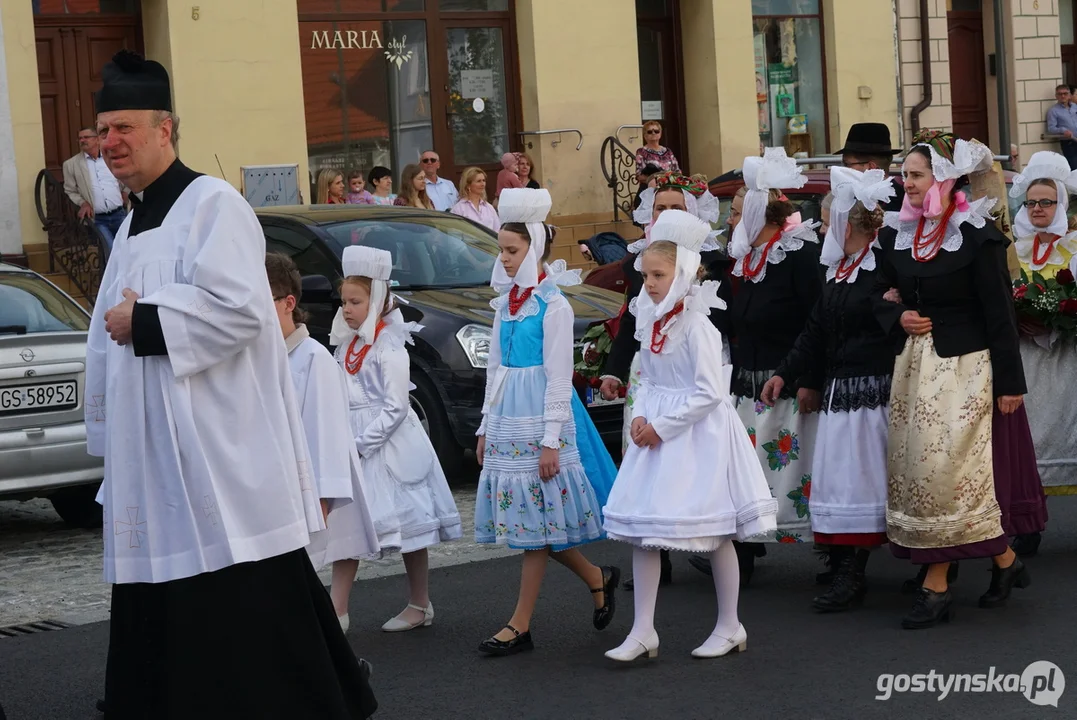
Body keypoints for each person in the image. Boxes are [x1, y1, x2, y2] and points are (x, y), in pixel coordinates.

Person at [86, 50, 375, 718]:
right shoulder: (130, 224)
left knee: (243, 603)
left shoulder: (212, 204)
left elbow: (244, 312)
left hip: (214, 451)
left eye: (125, 127)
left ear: (166, 129)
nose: (111, 143)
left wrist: (145, 319)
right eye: (104, 131)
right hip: (156, 458)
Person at [872, 130, 1034, 629]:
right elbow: (874, 294)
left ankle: (936, 584)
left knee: (945, 475)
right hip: (914, 370)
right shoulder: (895, 235)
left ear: (943, 178)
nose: (907, 183)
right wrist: (894, 317)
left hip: (966, 369)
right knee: (917, 473)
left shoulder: (977, 236)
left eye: (916, 175)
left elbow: (1000, 314)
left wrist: (1010, 384)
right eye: (904, 175)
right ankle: (1005, 562)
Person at [602, 210, 777, 663]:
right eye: (645, 276)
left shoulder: (697, 325)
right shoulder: (651, 320)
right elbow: (648, 377)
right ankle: (642, 630)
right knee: (645, 532)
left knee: (714, 531)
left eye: (658, 275)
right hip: (656, 431)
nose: (650, 285)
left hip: (696, 437)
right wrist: (640, 416)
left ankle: (729, 623)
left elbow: (708, 394)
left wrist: (660, 427)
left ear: (682, 274)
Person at [474, 188, 620, 656]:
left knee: (535, 525)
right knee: (536, 522)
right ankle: (598, 578)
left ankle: (520, 624)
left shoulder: (553, 305)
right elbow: (495, 369)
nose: (506, 258)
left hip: (538, 418)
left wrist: (551, 439)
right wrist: (483, 426)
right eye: (502, 250)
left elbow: (559, 377)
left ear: (533, 247)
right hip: (507, 419)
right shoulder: (505, 304)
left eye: (512, 250)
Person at [760, 167, 897, 613]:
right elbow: (815, 331)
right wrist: (786, 373)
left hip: (876, 391)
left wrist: (893, 307)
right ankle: (844, 567)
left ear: (847, 225)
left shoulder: (884, 267)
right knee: (840, 482)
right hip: (842, 393)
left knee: (869, 482)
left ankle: (869, 568)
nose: (820, 228)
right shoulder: (836, 270)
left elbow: (899, 325)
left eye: (824, 219)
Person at [597, 171, 724, 591]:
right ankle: (656, 552)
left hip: (693, 368)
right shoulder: (645, 263)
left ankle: (709, 540)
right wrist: (614, 369)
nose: (666, 214)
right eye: (659, 208)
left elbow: (717, 325)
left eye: (675, 207)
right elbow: (633, 321)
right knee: (649, 465)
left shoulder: (713, 262)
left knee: (693, 469)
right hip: (651, 375)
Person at [330, 245, 463, 632]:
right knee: (348, 525)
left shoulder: (389, 344)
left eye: (355, 301)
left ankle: (419, 603)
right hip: (353, 435)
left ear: (376, 300)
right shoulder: (348, 344)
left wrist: (359, 444)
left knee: (409, 525)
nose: (348, 309)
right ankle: (337, 609)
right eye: (344, 302)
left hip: (385, 444)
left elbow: (396, 406)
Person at [266, 252, 393, 634]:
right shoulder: (259, 357)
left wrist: (321, 502)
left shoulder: (313, 360)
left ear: (289, 303)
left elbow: (326, 436)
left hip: (300, 494)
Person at [725, 148, 823, 577]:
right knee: (744, 475)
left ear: (757, 216)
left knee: (800, 477)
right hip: (747, 387)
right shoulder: (745, 261)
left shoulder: (798, 256)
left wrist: (810, 378)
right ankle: (742, 555)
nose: (729, 222)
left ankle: (836, 556)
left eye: (734, 213)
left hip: (788, 386)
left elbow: (818, 319)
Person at [1006, 150, 1077, 553]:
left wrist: (1058, 320)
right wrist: (1017, 319)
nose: (1037, 209)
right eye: (1031, 202)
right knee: (1028, 441)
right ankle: (1028, 524)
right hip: (1025, 361)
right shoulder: (1011, 251)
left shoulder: (1075, 249)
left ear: (1060, 205)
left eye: (1046, 202)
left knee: (1069, 431)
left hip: (1065, 360)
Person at [62, 126, 127, 251]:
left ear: (97, 139)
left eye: (86, 137)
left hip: (120, 214)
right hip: (98, 219)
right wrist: (83, 203)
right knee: (110, 250)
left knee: (126, 249)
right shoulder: (71, 164)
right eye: (80, 138)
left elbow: (125, 176)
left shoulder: (112, 157)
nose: (82, 140)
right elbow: (70, 190)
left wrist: (125, 192)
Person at [833, 122, 904, 211]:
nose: (845, 170)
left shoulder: (899, 202)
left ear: (871, 167)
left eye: (847, 164)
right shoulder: (850, 196)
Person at [450, 166, 500, 232]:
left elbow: (497, 231)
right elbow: (455, 233)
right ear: (468, 185)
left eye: (483, 180)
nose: (483, 184)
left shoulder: (489, 207)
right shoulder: (459, 209)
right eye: (479, 181)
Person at [1046, 84, 1077, 170]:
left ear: (1070, 95)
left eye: (1065, 93)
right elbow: (1051, 128)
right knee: (1075, 168)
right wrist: (1063, 130)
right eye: (1060, 94)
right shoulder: (1053, 111)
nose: (1063, 96)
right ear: (1056, 96)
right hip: (1069, 143)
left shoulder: (1075, 107)